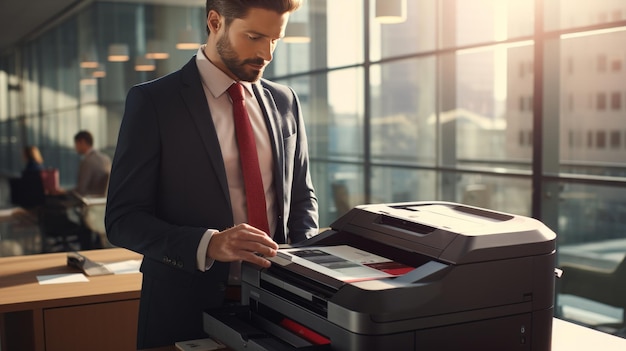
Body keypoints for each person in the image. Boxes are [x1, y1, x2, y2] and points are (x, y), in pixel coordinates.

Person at [104, 0, 319, 348]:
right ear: (215, 22)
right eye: (253, 37)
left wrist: (305, 265)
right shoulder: (155, 102)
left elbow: (301, 197)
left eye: (275, 40)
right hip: (184, 307)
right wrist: (209, 244)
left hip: (278, 305)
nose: (266, 53)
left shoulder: (285, 101)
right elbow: (122, 219)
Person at [73, 130, 112, 197]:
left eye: (76, 143)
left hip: (89, 201)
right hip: (103, 201)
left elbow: (81, 190)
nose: (75, 147)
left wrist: (65, 192)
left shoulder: (87, 161)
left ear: (82, 142)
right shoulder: (106, 159)